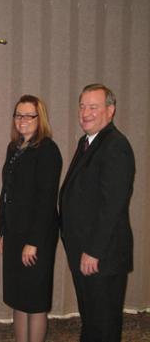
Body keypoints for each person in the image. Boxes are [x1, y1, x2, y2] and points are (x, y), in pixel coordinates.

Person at [59, 84, 135, 342]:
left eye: (93, 107)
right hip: (85, 252)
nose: (85, 112)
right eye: (82, 106)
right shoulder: (88, 142)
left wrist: (94, 250)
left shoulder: (116, 146)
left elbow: (112, 206)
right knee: (91, 321)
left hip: (101, 256)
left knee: (103, 326)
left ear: (110, 111)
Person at [0, 95, 62, 342]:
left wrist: (33, 241)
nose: (22, 120)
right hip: (14, 233)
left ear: (39, 118)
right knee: (17, 297)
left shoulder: (47, 150)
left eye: (28, 115)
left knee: (34, 301)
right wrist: (2, 231)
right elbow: (8, 192)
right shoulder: (14, 148)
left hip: (37, 236)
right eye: (18, 115)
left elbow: (47, 200)